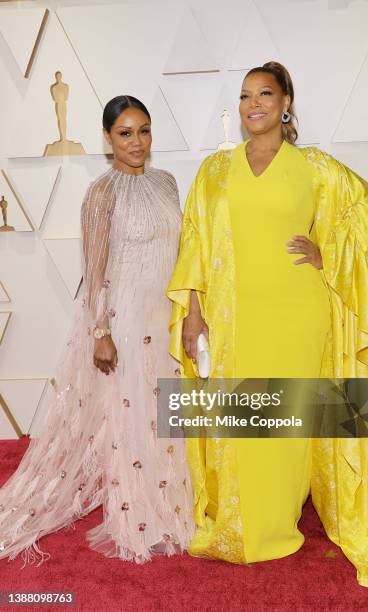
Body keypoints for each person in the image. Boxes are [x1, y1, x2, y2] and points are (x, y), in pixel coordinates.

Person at [167, 62, 368, 593]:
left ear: (286, 103)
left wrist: (332, 255)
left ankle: (277, 526)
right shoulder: (214, 171)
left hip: (298, 313)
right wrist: (193, 313)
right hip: (233, 318)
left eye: (265, 95)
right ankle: (240, 521)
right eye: (246, 96)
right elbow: (195, 248)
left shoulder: (315, 168)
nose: (254, 104)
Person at [0, 95, 194, 566]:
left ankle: (170, 504)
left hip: (163, 316)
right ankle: (140, 517)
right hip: (125, 319)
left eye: (144, 130)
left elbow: (183, 254)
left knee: (166, 416)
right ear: (107, 139)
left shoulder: (167, 183)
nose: (137, 142)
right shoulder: (101, 193)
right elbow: (96, 268)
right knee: (131, 419)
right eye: (125, 133)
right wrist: (100, 331)